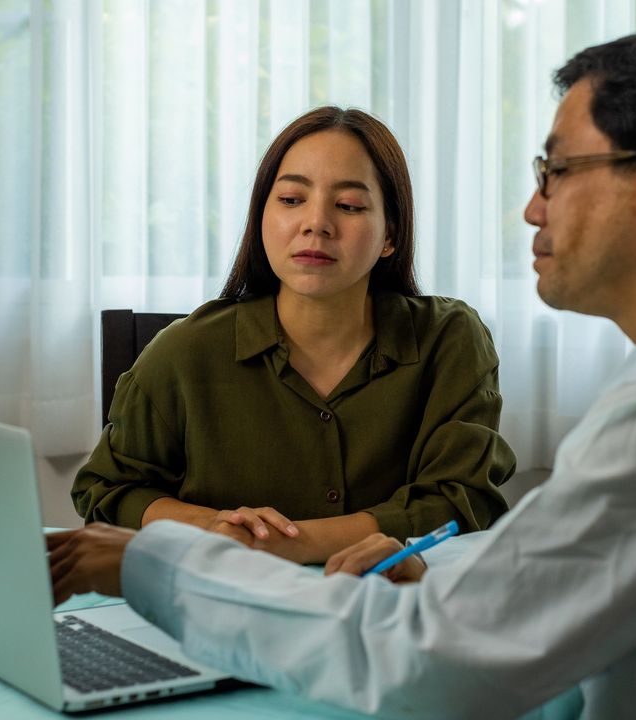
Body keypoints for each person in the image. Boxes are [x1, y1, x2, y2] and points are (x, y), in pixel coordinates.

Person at [49, 33, 636, 718]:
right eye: (291, 196)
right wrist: (441, 575)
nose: (532, 207)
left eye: (558, 170)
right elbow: (563, 555)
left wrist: (152, 566)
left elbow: (427, 664)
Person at [71, 106, 515, 564]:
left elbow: (460, 503)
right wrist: (214, 528)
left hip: (387, 613)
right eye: (290, 200)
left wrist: (284, 541)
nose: (316, 223)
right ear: (261, 217)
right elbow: (107, 489)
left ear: (390, 235)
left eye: (348, 206)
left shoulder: (451, 340)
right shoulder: (184, 351)